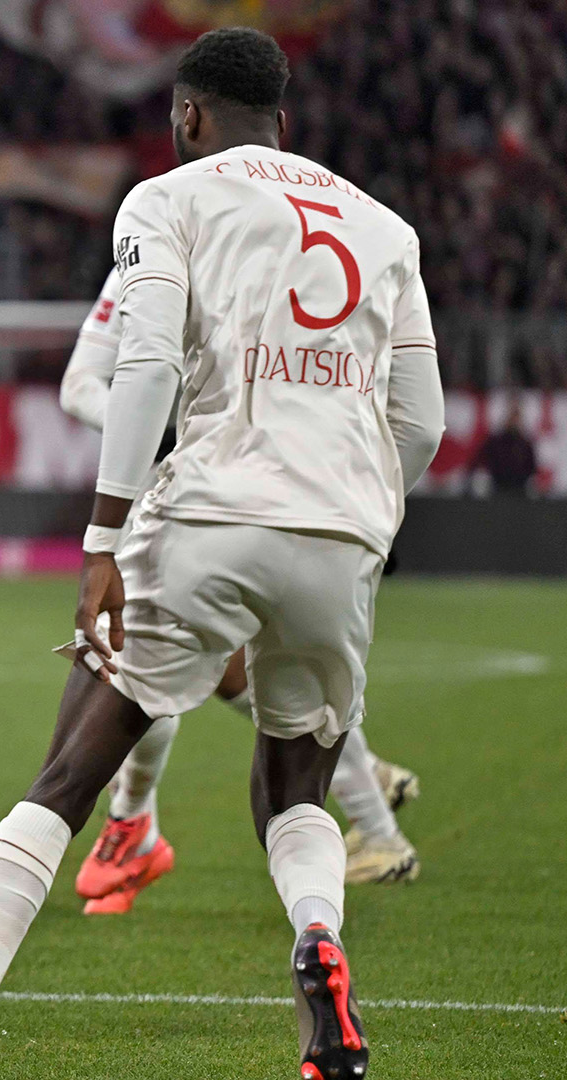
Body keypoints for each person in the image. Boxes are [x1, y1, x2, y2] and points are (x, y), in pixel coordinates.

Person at [0, 29, 443, 1080]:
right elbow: (418, 420)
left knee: (64, 781)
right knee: (295, 793)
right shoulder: (388, 228)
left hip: (207, 515)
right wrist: (357, 517)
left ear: (188, 115)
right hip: (341, 540)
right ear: (281, 118)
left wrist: (104, 535)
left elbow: (143, 362)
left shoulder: (169, 198)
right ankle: (319, 936)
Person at [60, 271, 423, 911]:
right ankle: (370, 812)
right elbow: (79, 385)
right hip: (194, 494)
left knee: (232, 664)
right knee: (203, 667)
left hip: (288, 491)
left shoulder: (270, 245)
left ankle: (136, 822)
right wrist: (171, 433)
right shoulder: (154, 248)